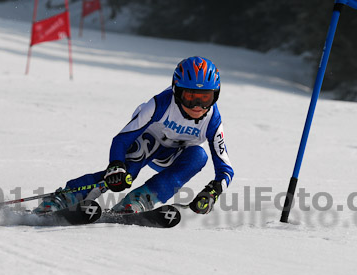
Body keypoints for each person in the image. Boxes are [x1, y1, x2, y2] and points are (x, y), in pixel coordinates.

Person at [35, 56, 234, 215]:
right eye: (190, 98)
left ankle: (140, 199)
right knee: (127, 172)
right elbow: (122, 139)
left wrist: (212, 192)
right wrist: (116, 166)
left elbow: (225, 170)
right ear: (176, 91)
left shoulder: (213, 119)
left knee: (198, 156)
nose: (198, 107)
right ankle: (65, 197)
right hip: (148, 141)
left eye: (205, 98)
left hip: (174, 155)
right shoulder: (160, 104)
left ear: (215, 95)